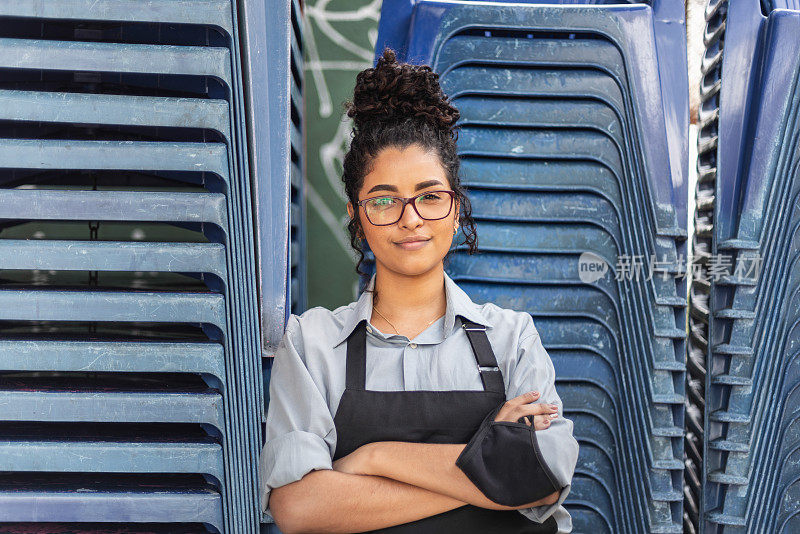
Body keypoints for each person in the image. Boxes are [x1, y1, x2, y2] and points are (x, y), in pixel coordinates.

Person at [258, 48, 579, 534]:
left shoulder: (511, 339)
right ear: (358, 218)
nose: (410, 219)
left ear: (455, 210)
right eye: (385, 200)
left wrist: (372, 457)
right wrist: (488, 462)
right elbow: (300, 507)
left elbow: (542, 478)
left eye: (430, 196)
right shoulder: (312, 345)